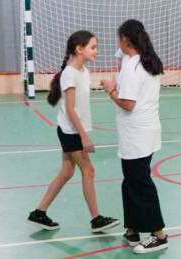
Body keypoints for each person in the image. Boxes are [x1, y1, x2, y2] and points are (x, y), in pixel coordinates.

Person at [27, 30, 121, 233]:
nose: (96, 51)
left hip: (71, 130)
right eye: (93, 47)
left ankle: (39, 213)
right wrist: (84, 136)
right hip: (71, 132)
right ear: (79, 49)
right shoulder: (69, 74)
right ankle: (96, 219)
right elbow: (70, 109)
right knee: (89, 171)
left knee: (67, 172)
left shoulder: (83, 71)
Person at [99, 19, 169, 252]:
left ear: (125, 39)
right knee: (130, 181)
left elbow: (127, 104)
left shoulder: (132, 67)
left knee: (140, 183)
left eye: (119, 39)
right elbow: (123, 53)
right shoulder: (146, 61)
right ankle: (133, 228)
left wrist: (110, 89)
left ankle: (159, 235)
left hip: (137, 134)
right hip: (146, 132)